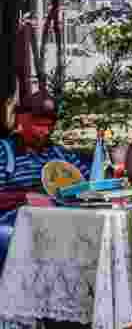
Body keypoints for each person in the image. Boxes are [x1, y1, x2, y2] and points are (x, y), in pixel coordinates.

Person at [0, 92, 86, 261]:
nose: (45, 132)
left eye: (49, 126)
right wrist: (24, 197)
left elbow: (89, 184)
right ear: (22, 120)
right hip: (15, 223)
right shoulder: (4, 152)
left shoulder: (59, 153)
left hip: (60, 222)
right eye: (39, 125)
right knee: (11, 238)